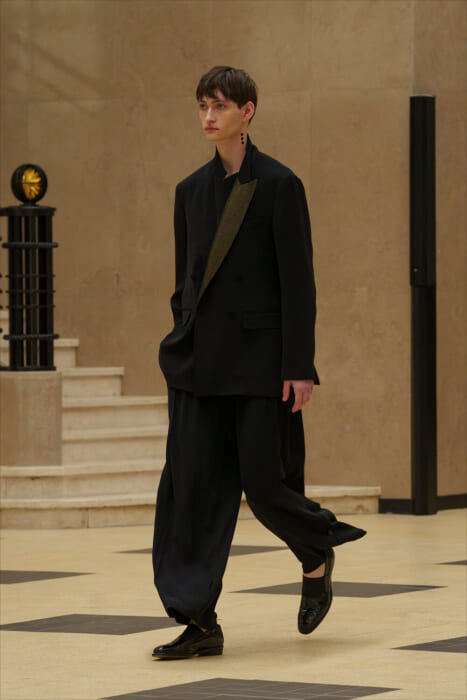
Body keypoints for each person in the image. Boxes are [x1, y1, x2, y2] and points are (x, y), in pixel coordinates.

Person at [152, 65, 366, 660]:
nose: (208, 116)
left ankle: (316, 552)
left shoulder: (279, 185)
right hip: (199, 365)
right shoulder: (189, 192)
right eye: (203, 105)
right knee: (192, 492)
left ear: (247, 112)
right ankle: (199, 622)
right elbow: (186, 281)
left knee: (266, 486)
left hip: (260, 363)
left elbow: (299, 282)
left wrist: (299, 365)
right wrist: (180, 336)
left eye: (220, 105)